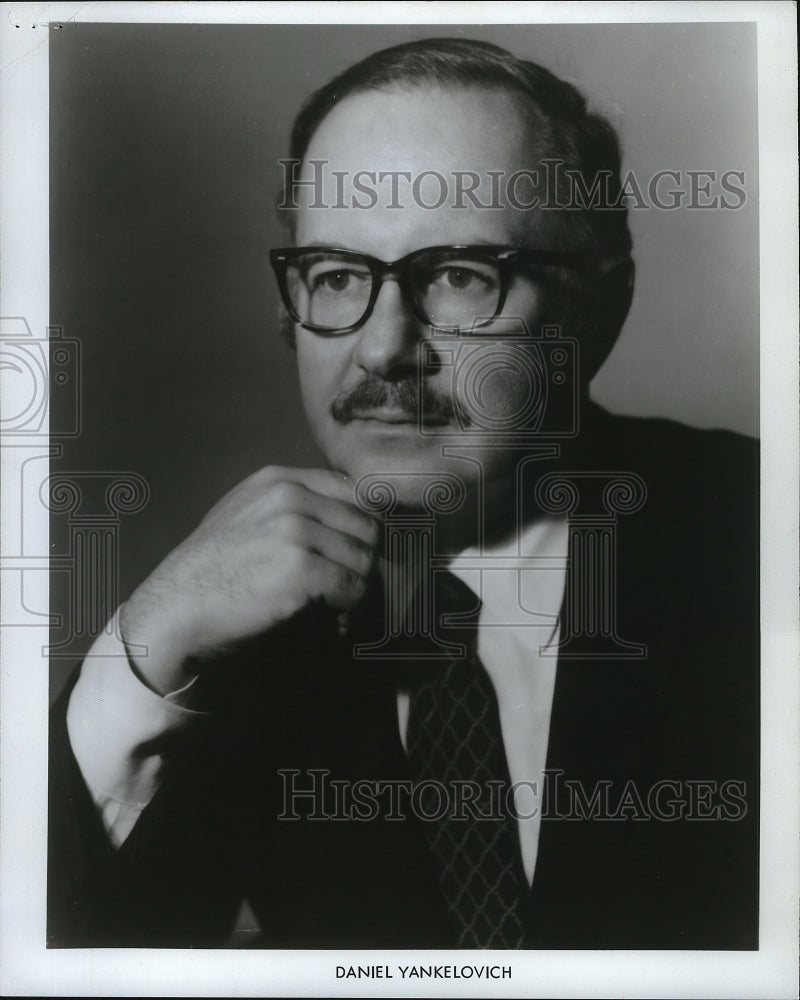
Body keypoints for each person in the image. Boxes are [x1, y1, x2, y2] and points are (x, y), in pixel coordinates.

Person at [47, 37, 759, 950]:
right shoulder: (232, 634)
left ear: (600, 307)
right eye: (338, 276)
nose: (384, 350)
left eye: (460, 278)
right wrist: (139, 656)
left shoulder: (760, 542)